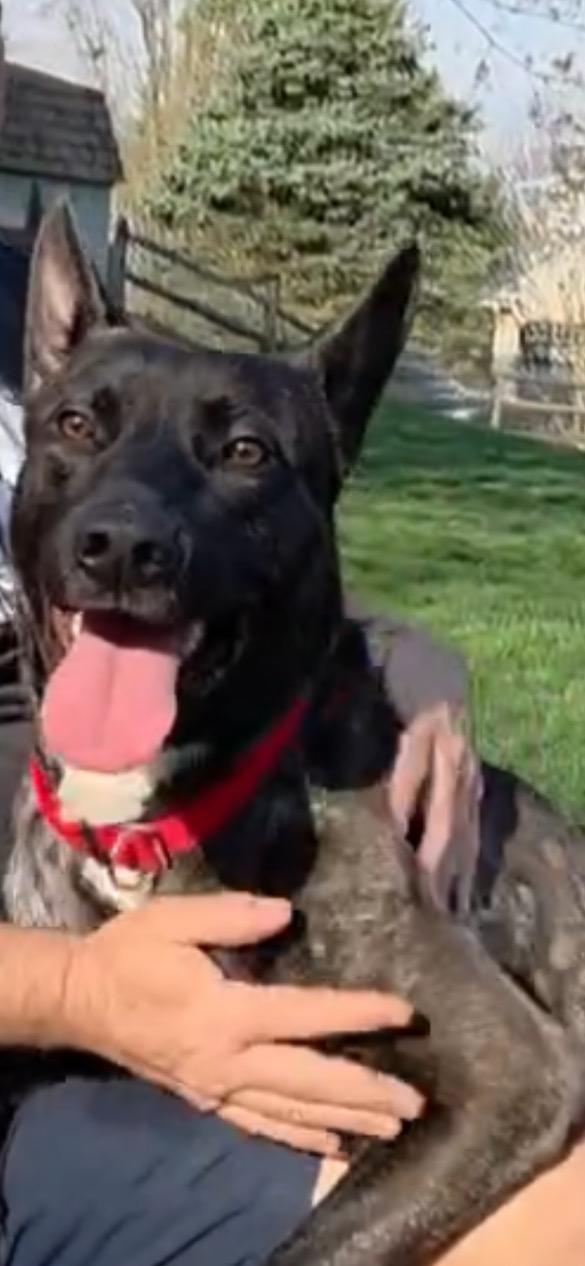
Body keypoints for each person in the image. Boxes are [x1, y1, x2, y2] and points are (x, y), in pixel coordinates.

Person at [0, 383, 582, 1265]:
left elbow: (201, 535)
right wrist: (78, 992)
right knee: (551, 1213)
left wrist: (385, 645)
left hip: (180, 866)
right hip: (48, 1054)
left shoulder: (34, 412)